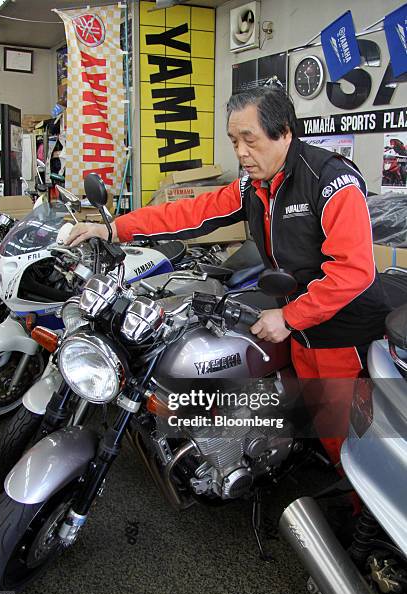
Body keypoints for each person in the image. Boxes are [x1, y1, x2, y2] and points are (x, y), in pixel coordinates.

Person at [66, 86, 389, 466]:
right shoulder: (256, 186)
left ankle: (362, 521)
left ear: (283, 131)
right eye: (234, 141)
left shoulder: (330, 179)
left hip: (342, 328)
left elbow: (353, 270)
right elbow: (188, 213)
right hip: (300, 322)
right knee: (315, 422)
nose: (240, 152)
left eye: (248, 140)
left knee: (347, 442)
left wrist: (289, 316)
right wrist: (115, 228)